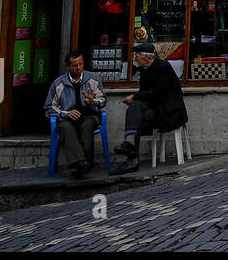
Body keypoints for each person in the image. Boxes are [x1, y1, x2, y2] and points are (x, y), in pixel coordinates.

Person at [110, 43, 188, 174]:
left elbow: (159, 93)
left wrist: (135, 96)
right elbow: (145, 93)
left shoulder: (163, 67)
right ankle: (130, 149)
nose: (135, 59)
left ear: (147, 57)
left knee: (138, 119)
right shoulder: (144, 69)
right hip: (154, 107)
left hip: (169, 111)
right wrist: (135, 99)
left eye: (137, 57)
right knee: (135, 108)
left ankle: (131, 159)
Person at [44, 51, 106, 179]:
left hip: (88, 116)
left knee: (88, 124)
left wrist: (91, 102)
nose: (79, 68)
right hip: (67, 118)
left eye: (81, 64)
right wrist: (66, 113)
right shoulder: (58, 83)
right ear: (67, 67)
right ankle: (81, 163)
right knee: (65, 128)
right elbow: (49, 107)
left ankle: (78, 165)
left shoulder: (93, 79)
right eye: (75, 65)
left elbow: (103, 100)